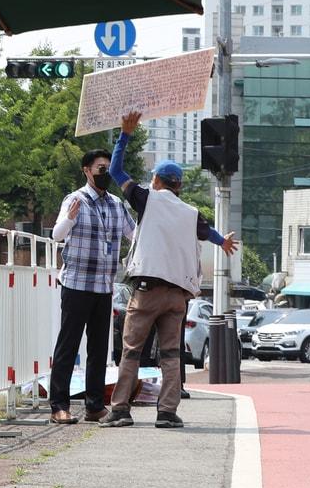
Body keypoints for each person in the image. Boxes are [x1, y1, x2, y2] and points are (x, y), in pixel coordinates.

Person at [101, 111, 239, 428]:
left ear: (158, 181)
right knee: (171, 354)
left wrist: (125, 134)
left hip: (147, 291)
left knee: (132, 351)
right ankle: (167, 412)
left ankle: (121, 410)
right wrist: (224, 243)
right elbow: (211, 234)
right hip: (177, 296)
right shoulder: (191, 213)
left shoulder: (147, 198)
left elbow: (115, 169)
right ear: (179, 185)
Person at [48, 150, 136, 423]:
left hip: (103, 286)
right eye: (100, 168)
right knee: (69, 344)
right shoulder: (74, 200)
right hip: (76, 284)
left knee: (99, 349)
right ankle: (59, 406)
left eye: (108, 168)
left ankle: (94, 405)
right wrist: (70, 218)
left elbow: (134, 235)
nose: (105, 173)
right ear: (87, 170)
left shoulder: (116, 204)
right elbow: (57, 234)